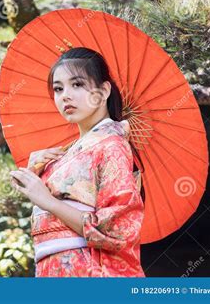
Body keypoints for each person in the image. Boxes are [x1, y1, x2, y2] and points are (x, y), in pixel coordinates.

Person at [10, 47, 145, 277]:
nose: (65, 96)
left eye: (78, 84)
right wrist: (32, 172)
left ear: (103, 91)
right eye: (58, 88)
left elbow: (118, 229)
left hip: (88, 269)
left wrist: (48, 202)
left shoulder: (112, 145)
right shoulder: (64, 153)